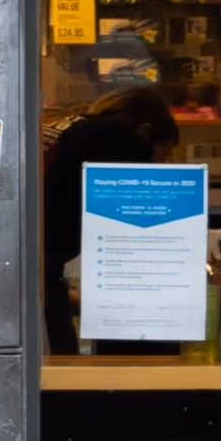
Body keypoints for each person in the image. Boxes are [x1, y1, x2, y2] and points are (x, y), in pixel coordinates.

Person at [42, 86, 179, 352]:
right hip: (37, 272)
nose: (159, 167)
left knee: (59, 362)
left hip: (29, 267)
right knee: (61, 373)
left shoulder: (77, 126)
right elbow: (130, 226)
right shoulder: (117, 139)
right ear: (146, 132)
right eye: (162, 154)